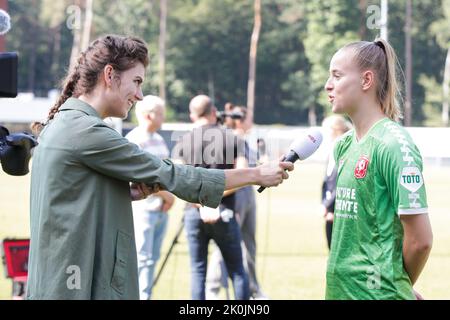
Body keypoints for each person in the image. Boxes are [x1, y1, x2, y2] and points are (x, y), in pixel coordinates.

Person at [26, 35, 293, 300]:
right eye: (137, 81)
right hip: (74, 285)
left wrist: (117, 191)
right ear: (110, 74)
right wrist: (257, 173)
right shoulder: (85, 130)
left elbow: (74, 197)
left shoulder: (64, 123)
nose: (140, 95)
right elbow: (173, 174)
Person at [324, 38, 433, 299]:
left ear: (366, 80)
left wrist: (396, 282)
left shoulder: (394, 144)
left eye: (337, 76)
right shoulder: (344, 146)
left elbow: (420, 240)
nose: (328, 85)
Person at [175, 95, 250, 300]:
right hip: (224, 210)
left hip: (193, 212)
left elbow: (180, 181)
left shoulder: (183, 140)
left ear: (193, 115)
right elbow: (243, 175)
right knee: (237, 270)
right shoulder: (233, 138)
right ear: (214, 112)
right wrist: (213, 199)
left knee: (198, 271)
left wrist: (201, 202)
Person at [206, 105, 267, 300]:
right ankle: (213, 289)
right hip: (235, 196)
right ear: (240, 119)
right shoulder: (230, 140)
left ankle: (253, 289)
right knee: (226, 244)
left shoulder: (247, 141)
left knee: (250, 245)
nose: (252, 121)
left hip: (248, 193)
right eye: (249, 117)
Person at [125, 95, 174, 300]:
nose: (163, 117)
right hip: (143, 209)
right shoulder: (135, 140)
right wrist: (167, 196)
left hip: (160, 209)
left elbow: (167, 174)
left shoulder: (159, 140)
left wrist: (167, 197)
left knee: (152, 258)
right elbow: (140, 178)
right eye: (160, 113)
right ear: (147, 115)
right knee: (141, 259)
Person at [320, 115, 351, 250]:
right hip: (330, 209)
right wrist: (323, 203)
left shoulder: (346, 148)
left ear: (335, 129)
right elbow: (327, 180)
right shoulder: (332, 148)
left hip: (339, 208)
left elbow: (342, 181)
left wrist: (329, 206)